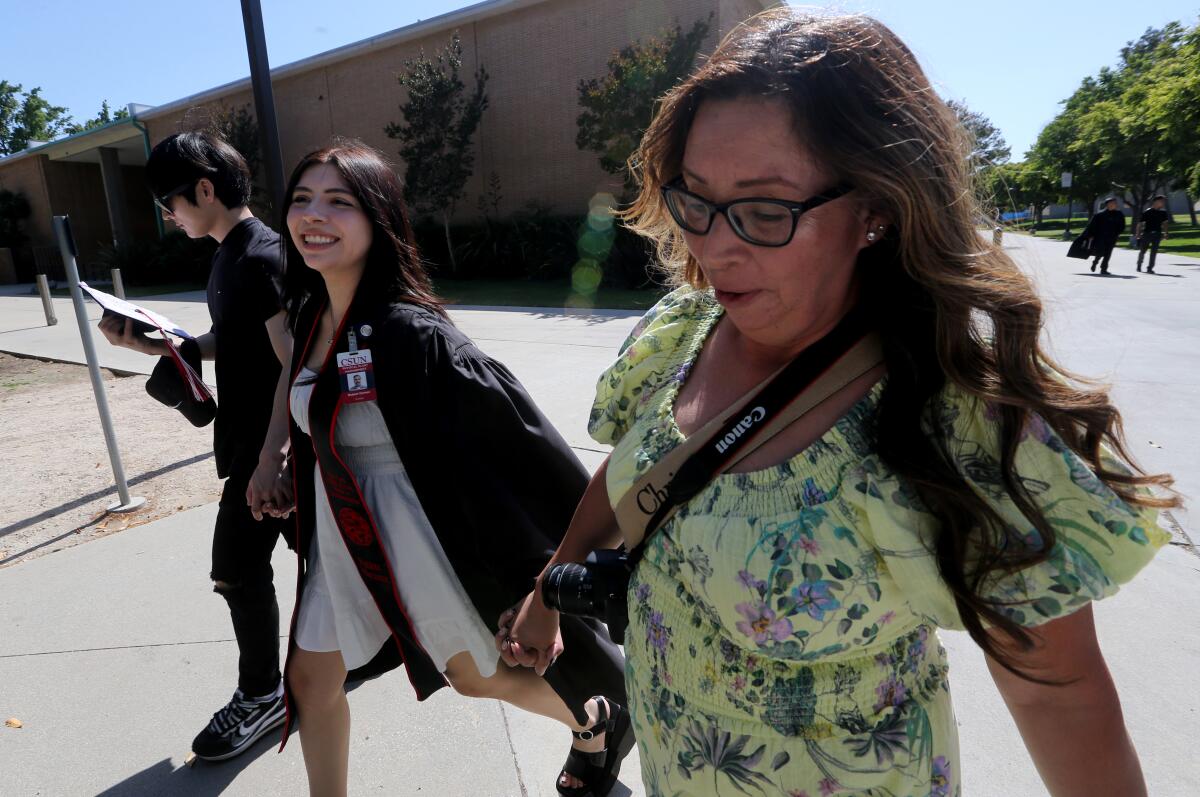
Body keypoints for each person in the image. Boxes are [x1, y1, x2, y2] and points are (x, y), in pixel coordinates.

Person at [502, 10, 1178, 796]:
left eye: (764, 210)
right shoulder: (683, 332)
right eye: (696, 200)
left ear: (877, 207)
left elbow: (1056, 690)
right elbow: (638, 466)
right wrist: (551, 587)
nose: (714, 247)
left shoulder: (954, 413)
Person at [275, 142, 631, 797]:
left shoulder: (416, 336)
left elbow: (524, 443)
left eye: (337, 201)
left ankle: (599, 717)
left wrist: (568, 561)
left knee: (473, 675)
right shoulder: (310, 316)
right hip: (342, 530)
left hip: (418, 525)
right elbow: (306, 397)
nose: (313, 215)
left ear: (377, 217)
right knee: (310, 678)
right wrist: (280, 456)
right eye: (301, 199)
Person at [98, 131, 293, 761]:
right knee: (253, 571)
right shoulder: (229, 255)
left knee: (243, 568)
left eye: (170, 204)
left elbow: (294, 363)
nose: (169, 216)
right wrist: (153, 343)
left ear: (204, 189)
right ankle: (284, 687)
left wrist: (273, 458)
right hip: (252, 449)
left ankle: (267, 694)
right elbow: (232, 339)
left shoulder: (261, 256)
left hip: (275, 455)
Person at [1082, 196, 1126, 274]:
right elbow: (1092, 226)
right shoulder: (1100, 215)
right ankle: (1095, 262)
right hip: (1100, 237)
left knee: (1108, 253)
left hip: (1112, 237)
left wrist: (1118, 233)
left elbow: (1122, 226)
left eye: (1115, 203)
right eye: (1112, 203)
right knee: (1100, 252)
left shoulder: (1119, 214)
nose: (1114, 204)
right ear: (1107, 204)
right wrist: (1090, 235)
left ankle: (1104, 269)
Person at [1135, 195, 1170, 273]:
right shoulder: (1147, 211)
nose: (1163, 203)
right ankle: (1139, 265)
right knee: (1143, 251)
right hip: (1147, 234)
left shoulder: (1163, 212)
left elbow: (1165, 223)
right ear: (1156, 201)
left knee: (1154, 252)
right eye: (1162, 201)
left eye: (1164, 201)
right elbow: (1140, 224)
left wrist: (1166, 233)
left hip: (1157, 234)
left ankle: (1150, 268)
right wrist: (1138, 234)